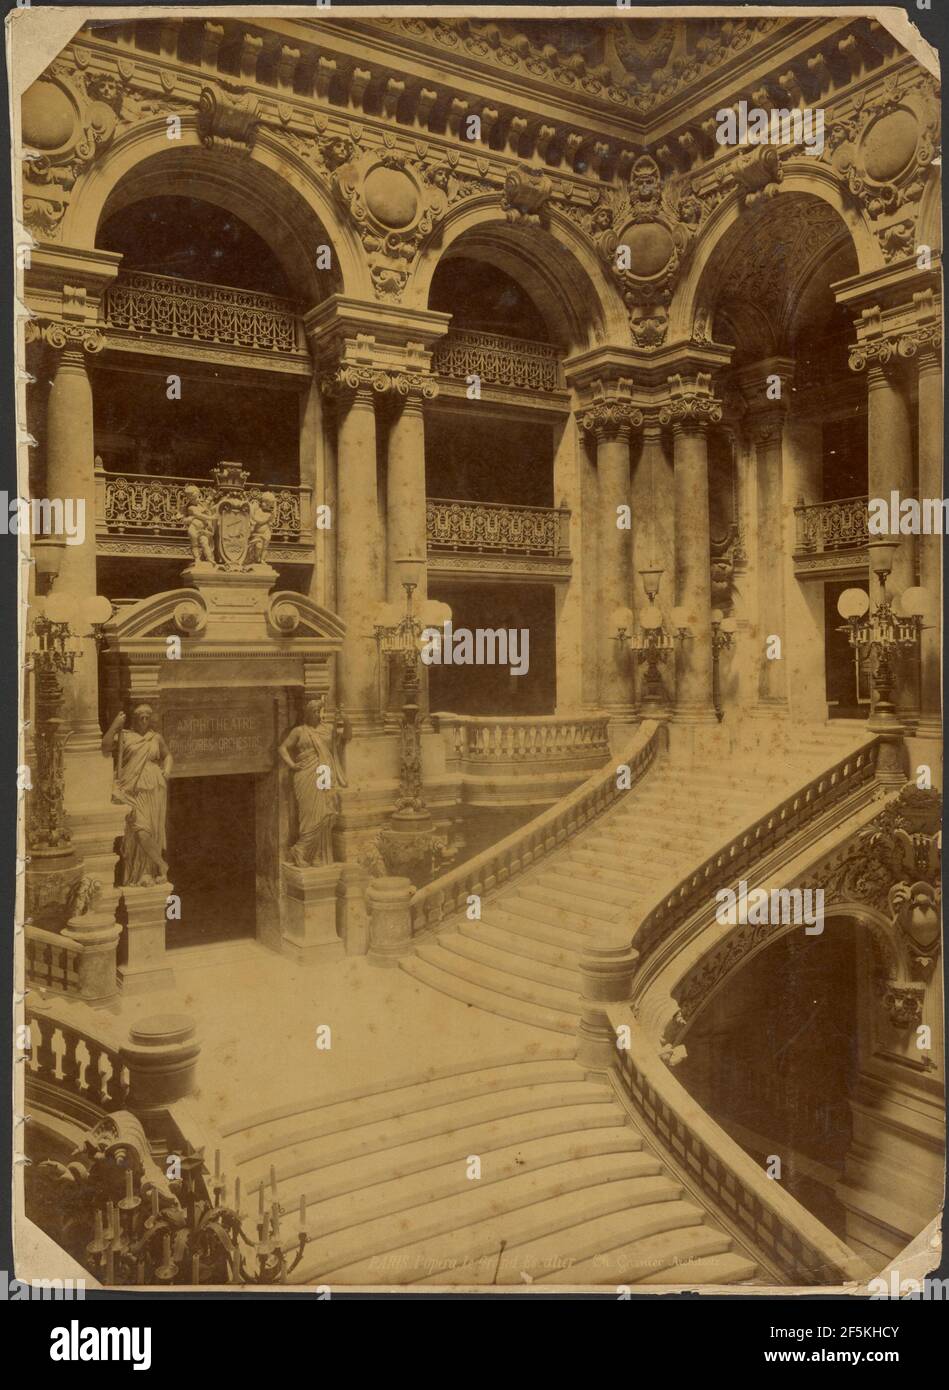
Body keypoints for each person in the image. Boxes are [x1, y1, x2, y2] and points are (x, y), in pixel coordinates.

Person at [101, 705, 173, 886]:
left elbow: (167, 755)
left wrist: (167, 770)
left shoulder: (155, 737)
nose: (144, 720)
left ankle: (147, 872)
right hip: (131, 789)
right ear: (134, 719)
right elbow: (106, 746)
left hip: (154, 788)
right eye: (140, 717)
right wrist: (115, 726)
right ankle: (162, 865)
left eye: (147, 717)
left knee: (152, 829)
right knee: (139, 830)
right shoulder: (125, 736)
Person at [278, 698, 347, 866]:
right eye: (314, 711)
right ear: (308, 713)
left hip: (323, 772)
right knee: (309, 814)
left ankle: (315, 854)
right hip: (305, 775)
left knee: (326, 812)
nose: (317, 715)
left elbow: (341, 742)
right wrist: (292, 764)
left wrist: (344, 723)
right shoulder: (299, 731)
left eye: (319, 711)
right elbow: (282, 748)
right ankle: (300, 851)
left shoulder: (327, 730)